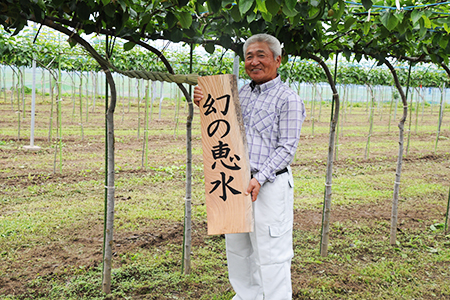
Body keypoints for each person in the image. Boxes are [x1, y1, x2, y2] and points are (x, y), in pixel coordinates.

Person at [194, 33, 306, 300]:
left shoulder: (287, 99)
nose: (254, 61)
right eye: (248, 56)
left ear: (278, 60)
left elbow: (287, 148)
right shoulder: (240, 93)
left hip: (268, 184)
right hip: (236, 181)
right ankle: (247, 296)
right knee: (238, 248)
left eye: (261, 55)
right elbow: (222, 127)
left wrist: (261, 177)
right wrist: (205, 101)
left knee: (271, 253)